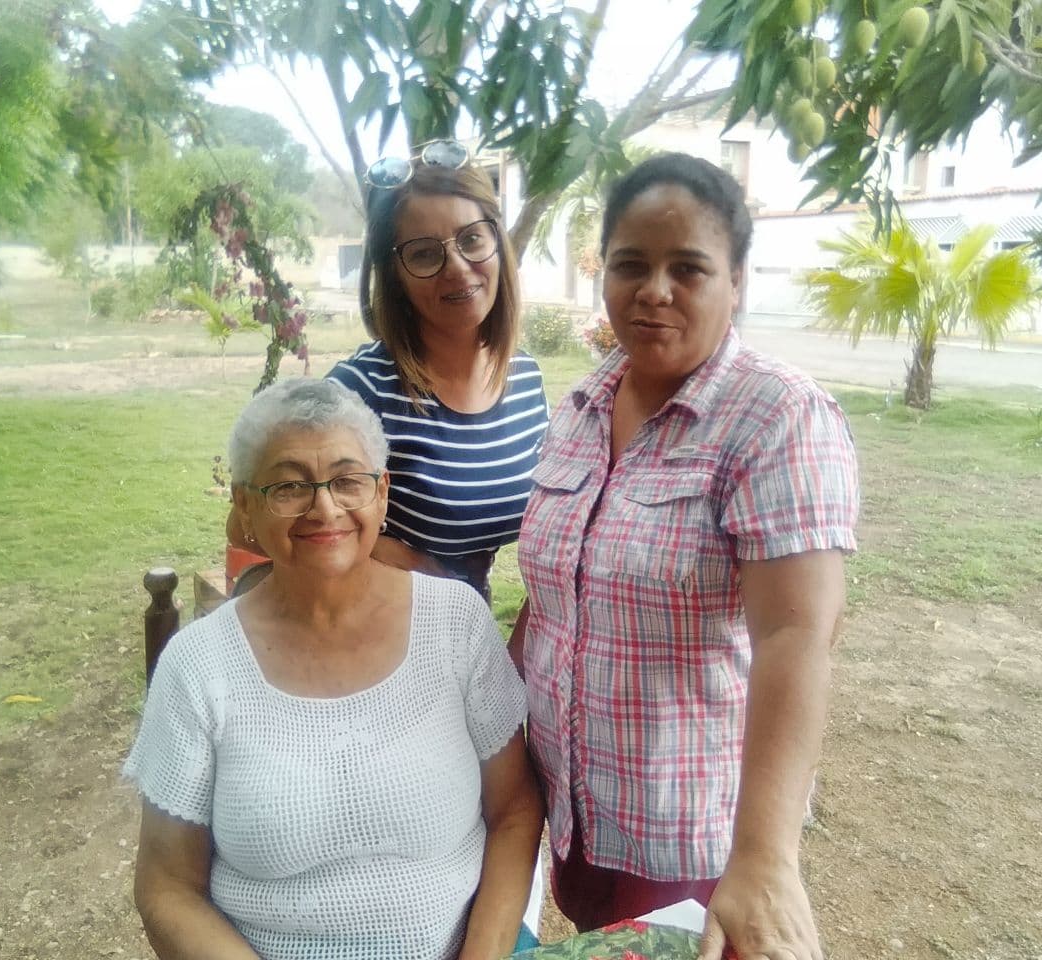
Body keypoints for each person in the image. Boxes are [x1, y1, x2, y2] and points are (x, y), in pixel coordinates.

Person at [512, 153, 860, 960]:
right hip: (577, 817)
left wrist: (766, 859)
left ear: (736, 280)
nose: (654, 289)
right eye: (630, 264)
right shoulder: (581, 406)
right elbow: (553, 595)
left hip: (695, 849)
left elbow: (798, 637)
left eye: (688, 268)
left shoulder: (777, 418)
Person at [128, 378, 544, 960]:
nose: (324, 507)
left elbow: (516, 811)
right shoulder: (198, 667)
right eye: (289, 485)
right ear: (245, 506)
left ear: (382, 494)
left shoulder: (456, 623)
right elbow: (168, 886)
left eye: (348, 480)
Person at [230, 144, 548, 603]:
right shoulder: (361, 390)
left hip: (463, 629)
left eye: (472, 239)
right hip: (367, 623)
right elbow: (245, 526)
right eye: (423, 254)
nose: (457, 268)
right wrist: (409, 561)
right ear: (394, 275)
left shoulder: (526, 379)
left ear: (497, 241)